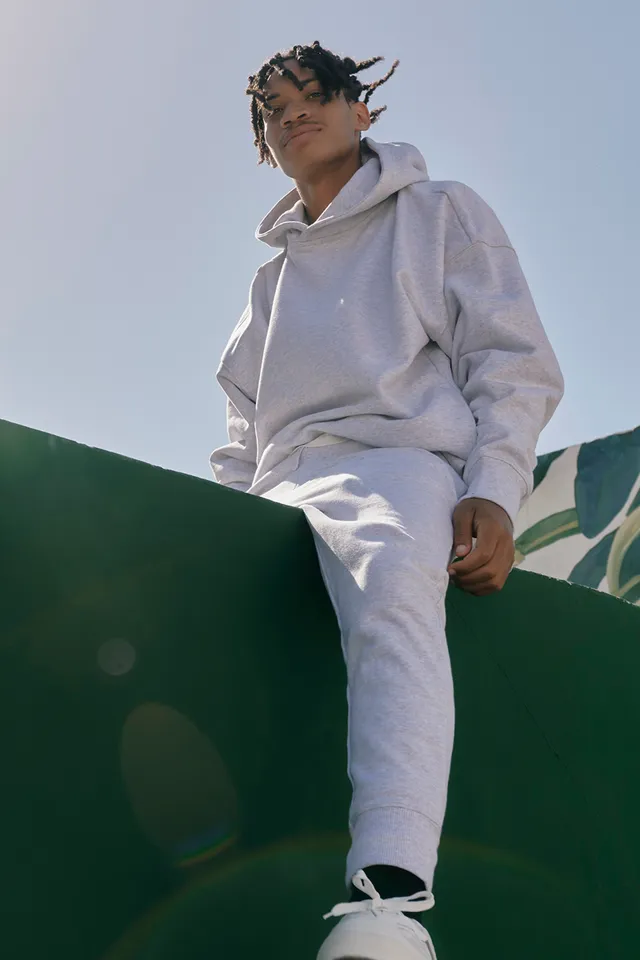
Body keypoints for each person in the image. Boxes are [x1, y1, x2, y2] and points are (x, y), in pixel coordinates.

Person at [209, 41, 564, 960]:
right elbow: (241, 436)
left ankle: (389, 898)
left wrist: (494, 491)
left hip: (398, 460)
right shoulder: (267, 286)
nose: (291, 113)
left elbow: (512, 362)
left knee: (393, 578)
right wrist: (223, 520)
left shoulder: (440, 211)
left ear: (360, 109)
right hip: (278, 486)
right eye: (272, 109)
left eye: (312, 95)